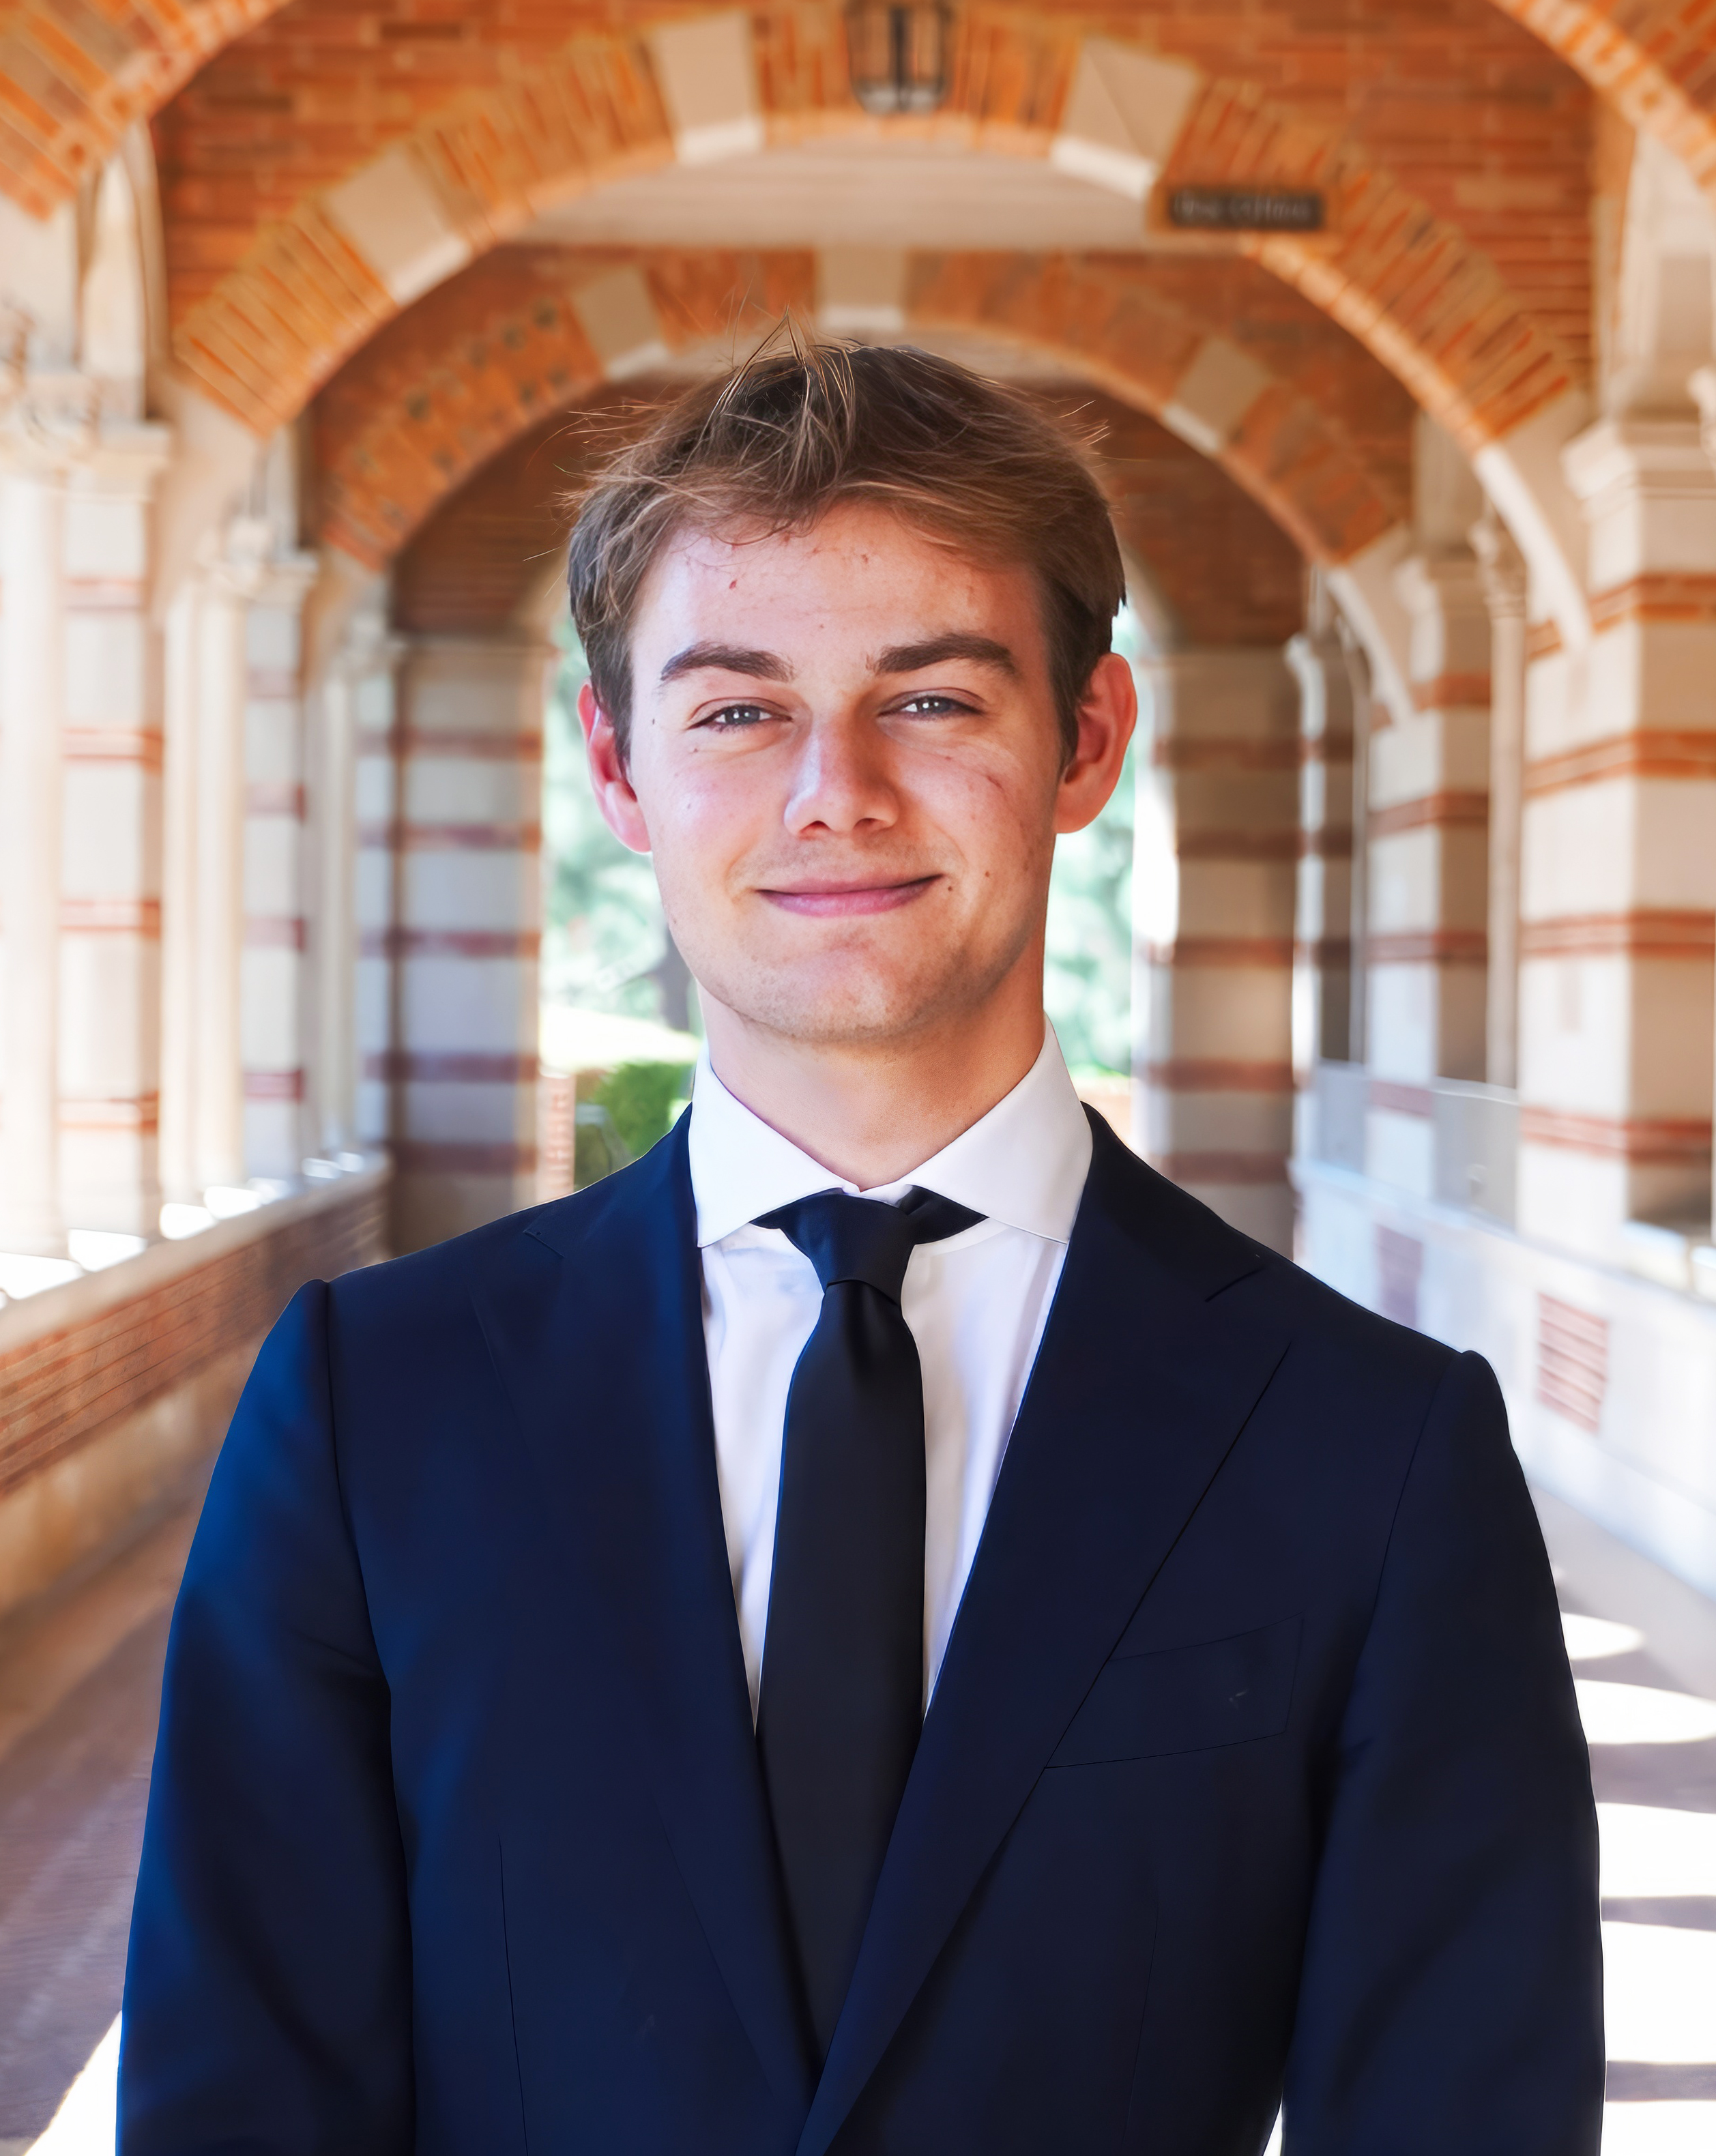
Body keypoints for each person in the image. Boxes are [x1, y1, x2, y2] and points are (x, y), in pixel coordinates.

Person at [121, 339, 1602, 2155]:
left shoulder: (1375, 1452)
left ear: (1087, 741)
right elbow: (238, 2109)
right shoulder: (371, 1413)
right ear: (617, 765)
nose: (835, 789)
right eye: (738, 709)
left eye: (934, 700)